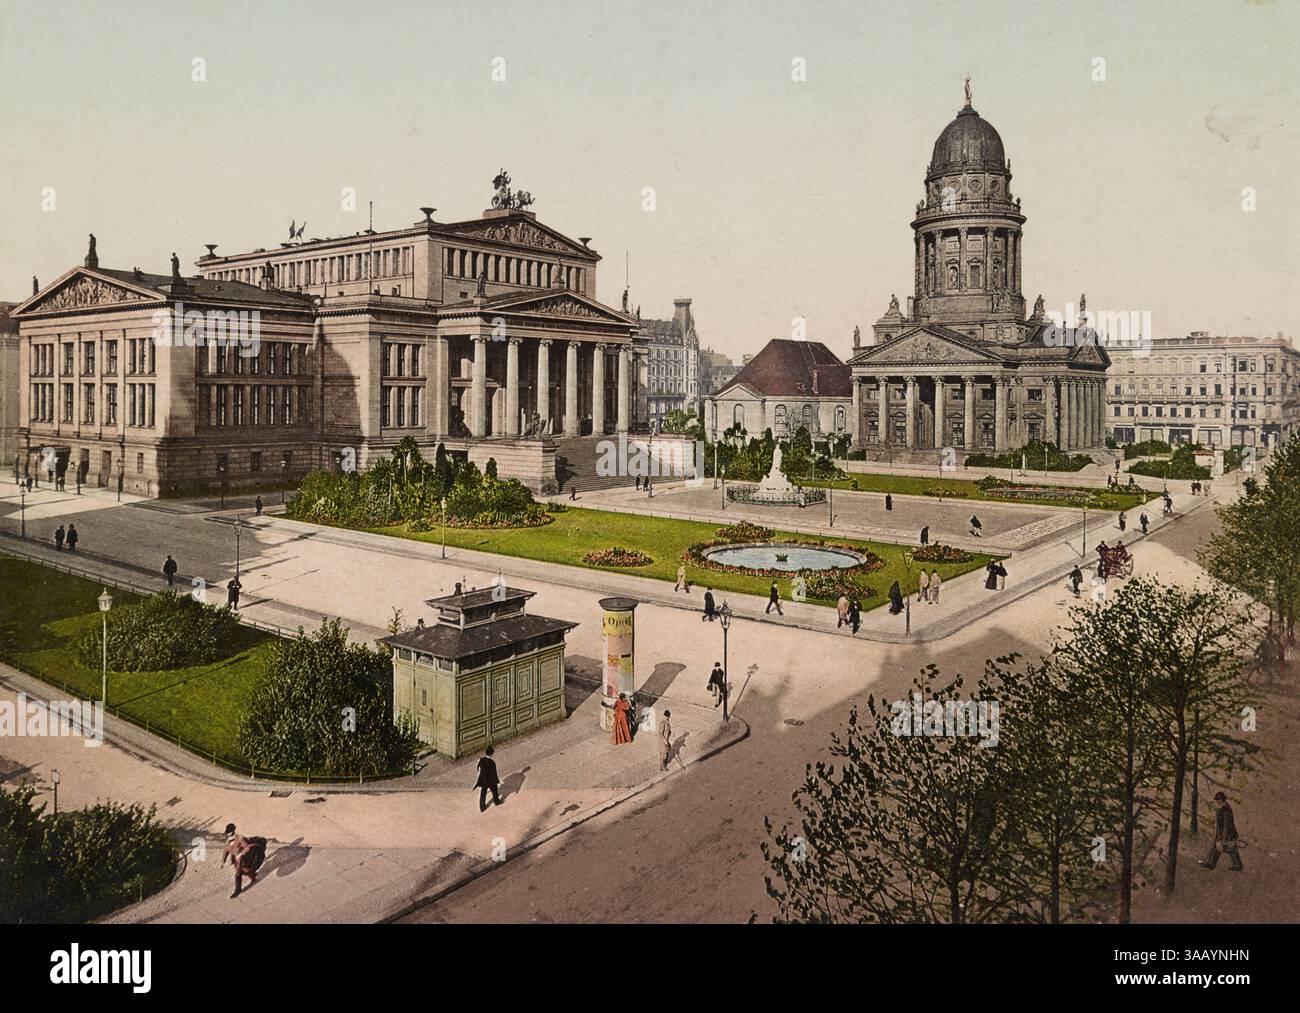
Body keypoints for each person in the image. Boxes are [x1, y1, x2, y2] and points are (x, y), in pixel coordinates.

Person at [1200, 791, 1243, 872]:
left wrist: (1223, 837)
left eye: (1217, 800)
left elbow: (1226, 825)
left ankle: (1212, 864)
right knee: (1224, 850)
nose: (1217, 802)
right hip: (1227, 834)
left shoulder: (1225, 810)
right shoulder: (1225, 808)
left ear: (1221, 800)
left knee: (1229, 850)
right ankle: (1211, 864)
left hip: (1227, 835)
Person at [221, 823, 266, 899]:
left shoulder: (240, 838)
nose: (227, 834)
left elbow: (247, 847)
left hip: (243, 859)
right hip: (236, 860)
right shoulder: (228, 841)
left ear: (232, 832)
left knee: (238, 874)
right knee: (244, 871)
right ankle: (253, 876)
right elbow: (226, 850)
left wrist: (241, 854)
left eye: (228, 832)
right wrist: (223, 861)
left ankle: (238, 890)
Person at [475, 745, 501, 810]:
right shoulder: (492, 763)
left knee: (483, 793)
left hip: (483, 780)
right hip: (490, 780)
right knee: (495, 791)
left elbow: (478, 769)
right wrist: (496, 781)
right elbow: (494, 773)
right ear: (492, 754)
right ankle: (496, 801)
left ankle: (482, 807)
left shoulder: (481, 760)